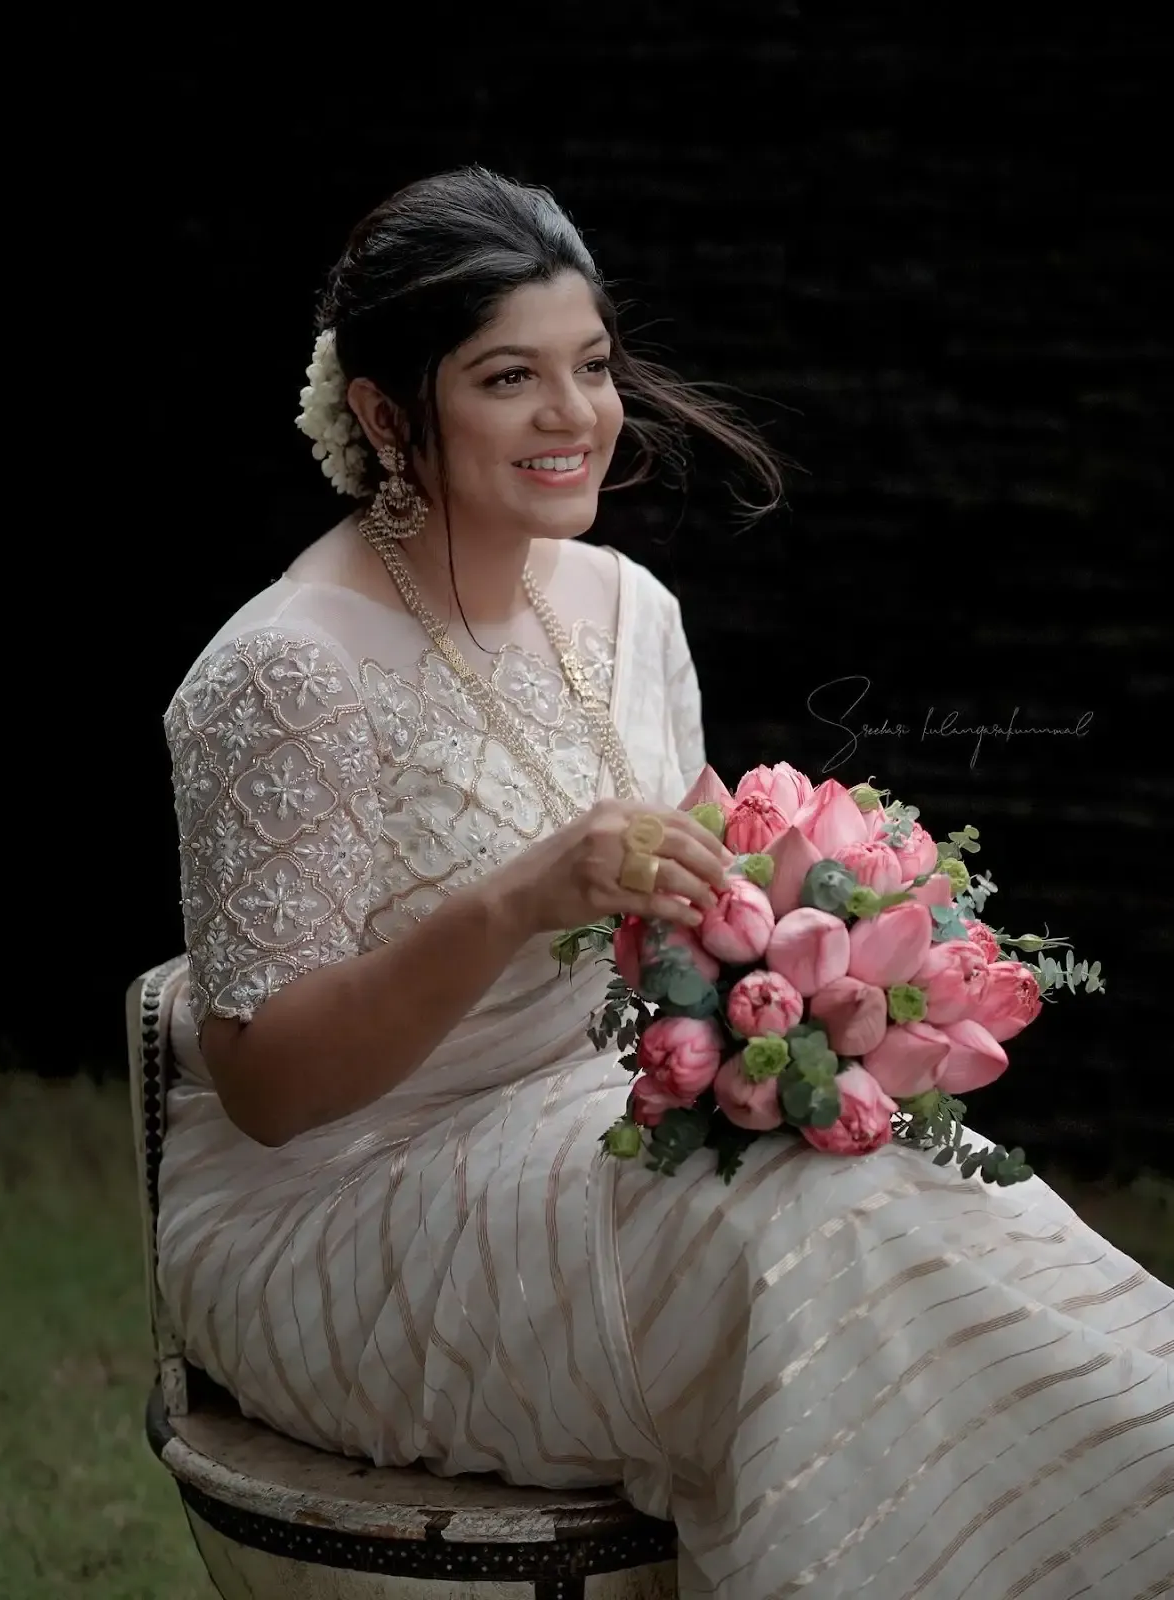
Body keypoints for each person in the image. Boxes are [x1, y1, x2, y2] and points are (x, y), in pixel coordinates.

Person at [158, 167, 1172, 1599]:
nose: (575, 416)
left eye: (591, 366)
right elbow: (265, 1091)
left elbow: (685, 910)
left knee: (900, 1173)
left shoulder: (632, 608)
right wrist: (518, 897)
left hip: (605, 1124)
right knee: (799, 1228)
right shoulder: (285, 672)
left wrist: (817, 943)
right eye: (511, 377)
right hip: (341, 1202)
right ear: (387, 414)